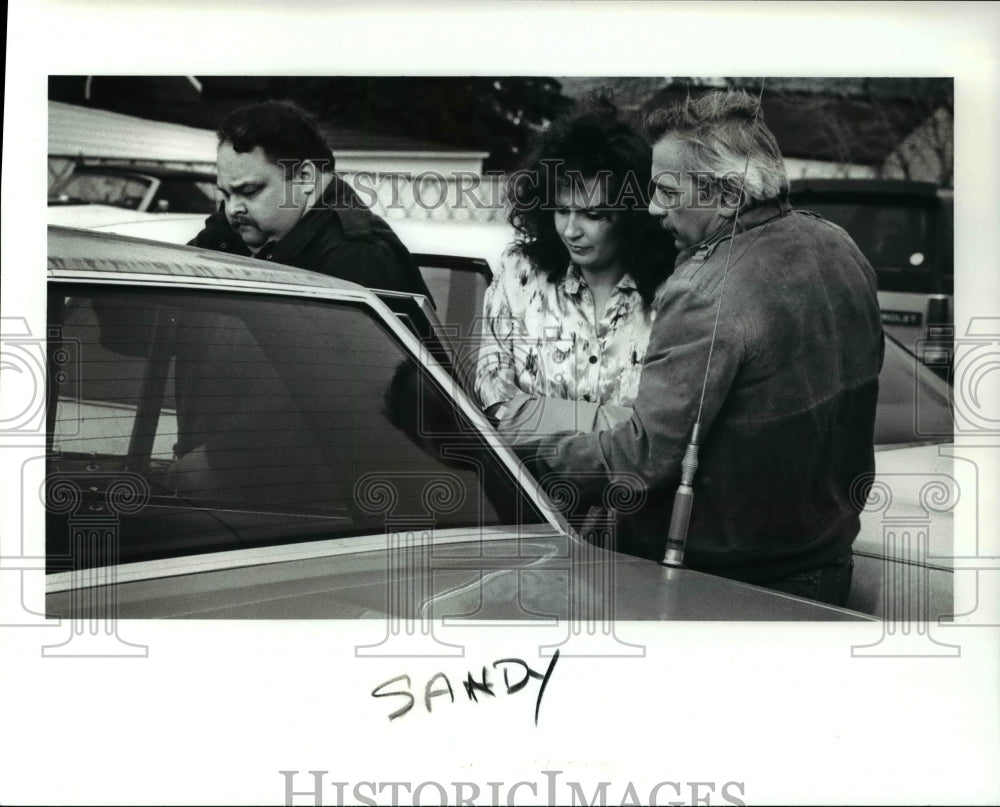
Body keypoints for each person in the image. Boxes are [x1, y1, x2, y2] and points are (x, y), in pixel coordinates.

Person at [517, 89, 885, 607]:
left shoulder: (704, 288)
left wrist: (525, 455)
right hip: (824, 561)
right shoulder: (837, 245)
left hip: (724, 585)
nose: (652, 207)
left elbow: (641, 461)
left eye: (668, 191)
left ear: (729, 197)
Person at [474, 100, 676, 439]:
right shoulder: (519, 273)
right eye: (561, 209)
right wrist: (610, 423)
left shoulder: (671, 290)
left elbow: (665, 424)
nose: (570, 230)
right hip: (529, 483)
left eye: (592, 215)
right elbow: (493, 390)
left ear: (631, 215)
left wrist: (540, 416)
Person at [189, 100, 431, 299]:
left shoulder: (356, 254)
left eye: (250, 191)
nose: (232, 209)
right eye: (226, 194)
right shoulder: (238, 230)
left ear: (305, 177)